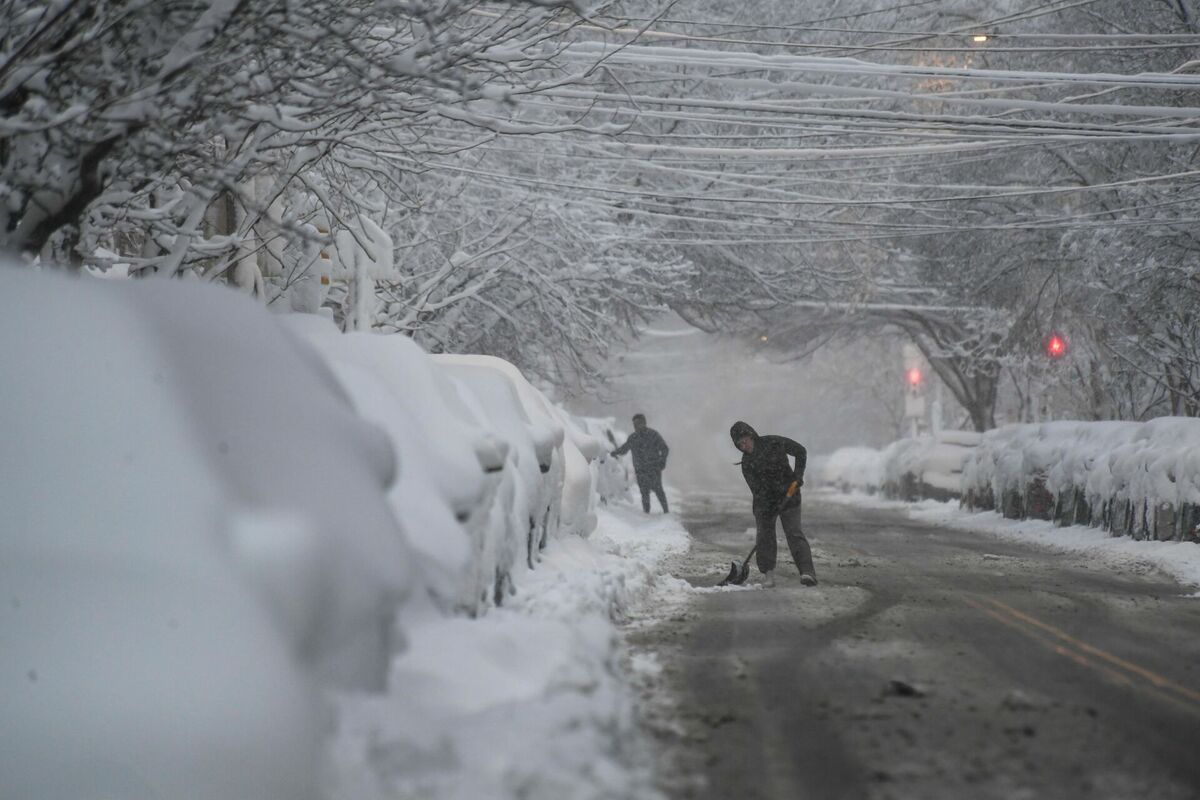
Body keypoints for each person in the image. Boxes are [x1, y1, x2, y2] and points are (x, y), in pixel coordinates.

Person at [729, 420, 816, 587]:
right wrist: (769, 507)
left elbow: (800, 451)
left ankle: (807, 572)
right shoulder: (747, 463)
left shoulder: (774, 442)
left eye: (745, 441)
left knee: (793, 532)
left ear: (752, 436)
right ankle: (769, 576)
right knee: (764, 536)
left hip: (789, 495)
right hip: (765, 502)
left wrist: (798, 476)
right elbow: (757, 490)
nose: (744, 446)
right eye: (740, 445)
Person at [610, 413, 670, 513]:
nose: (636, 426)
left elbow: (665, 449)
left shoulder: (653, 435)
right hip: (640, 470)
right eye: (635, 424)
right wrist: (613, 453)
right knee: (644, 493)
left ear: (644, 423)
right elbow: (624, 449)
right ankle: (646, 514)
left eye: (639, 423)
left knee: (659, 491)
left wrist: (662, 461)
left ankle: (666, 512)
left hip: (653, 469)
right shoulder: (633, 438)